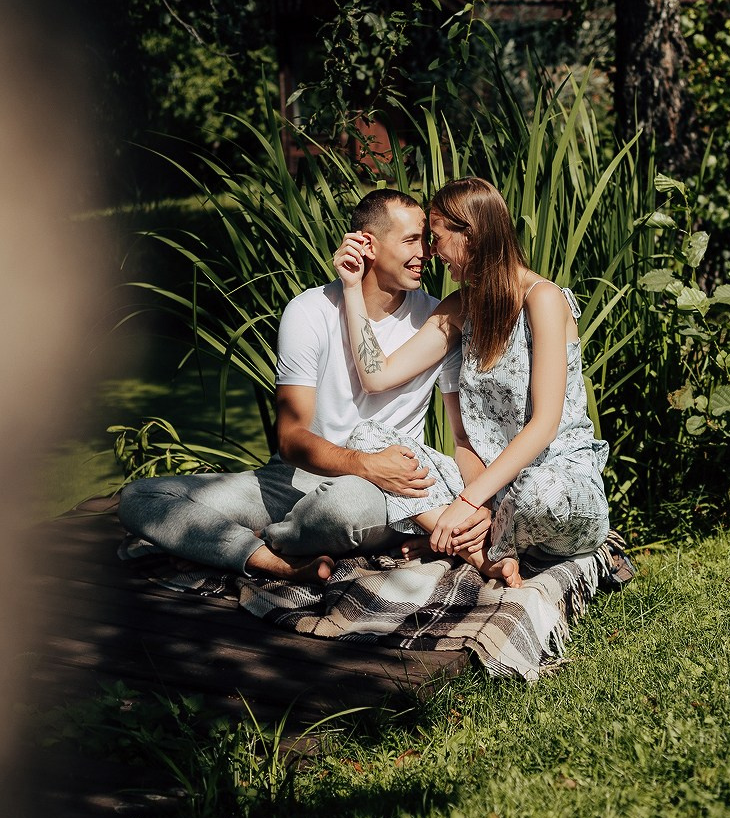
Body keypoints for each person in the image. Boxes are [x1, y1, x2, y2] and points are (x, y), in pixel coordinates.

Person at [118, 189, 490, 582]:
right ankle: (272, 559)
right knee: (140, 498)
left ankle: (233, 543)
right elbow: (291, 437)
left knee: (342, 511)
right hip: (295, 480)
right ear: (367, 245)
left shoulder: (438, 319)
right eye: (411, 240)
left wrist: (476, 502)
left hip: (380, 492)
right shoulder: (309, 311)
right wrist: (364, 463)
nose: (426, 253)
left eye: (425, 240)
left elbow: (461, 434)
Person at [333, 177, 611, 589]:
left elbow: (545, 424)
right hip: (488, 493)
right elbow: (379, 377)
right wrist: (352, 287)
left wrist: (465, 503)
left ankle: (459, 537)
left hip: (556, 484)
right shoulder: (458, 310)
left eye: (437, 237)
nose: (430, 251)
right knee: (366, 438)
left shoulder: (543, 298)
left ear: (471, 236)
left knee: (541, 492)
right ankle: (479, 551)